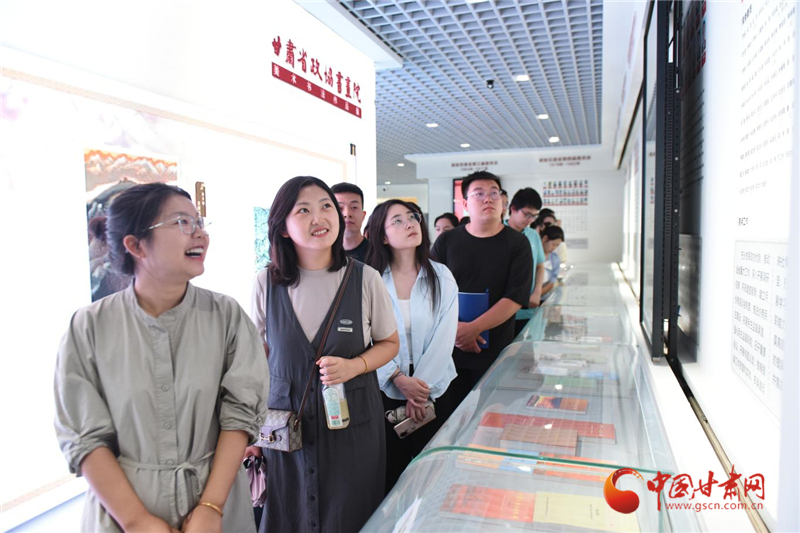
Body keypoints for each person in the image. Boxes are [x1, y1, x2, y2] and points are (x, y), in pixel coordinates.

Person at [54, 183, 268, 533]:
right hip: (121, 513)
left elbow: (240, 416)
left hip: (215, 511)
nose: (200, 234)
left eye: (199, 222)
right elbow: (84, 438)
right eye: (182, 222)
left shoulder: (226, 316)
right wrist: (136, 520)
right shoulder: (89, 327)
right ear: (136, 245)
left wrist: (211, 506)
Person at [251, 176, 399, 533]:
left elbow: (389, 343)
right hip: (286, 430)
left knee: (351, 516)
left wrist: (355, 366)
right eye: (303, 210)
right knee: (289, 515)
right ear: (283, 227)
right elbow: (256, 360)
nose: (319, 218)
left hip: (353, 429)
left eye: (326, 207)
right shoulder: (265, 283)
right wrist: (250, 432)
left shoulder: (366, 279)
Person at [365, 200, 459, 493]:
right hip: (384, 391)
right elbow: (366, 338)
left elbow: (445, 337)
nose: (410, 223)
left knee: (432, 477)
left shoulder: (441, 275)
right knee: (388, 476)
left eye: (413, 217)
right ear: (382, 236)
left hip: (435, 391)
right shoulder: (370, 279)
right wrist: (397, 378)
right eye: (397, 220)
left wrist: (420, 391)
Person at [431, 171, 533, 406]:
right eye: (479, 193)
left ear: (503, 201)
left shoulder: (518, 243)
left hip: (495, 351)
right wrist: (455, 330)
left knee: (489, 412)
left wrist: (473, 329)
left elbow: (515, 297)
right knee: (449, 414)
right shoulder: (447, 241)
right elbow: (430, 290)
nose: (488, 198)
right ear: (466, 204)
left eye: (494, 193)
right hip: (448, 349)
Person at [506, 188, 547, 336]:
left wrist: (537, 292)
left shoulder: (533, 235)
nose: (530, 220)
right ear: (513, 209)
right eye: (527, 214)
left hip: (528, 308)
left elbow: (540, 265)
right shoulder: (498, 232)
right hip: (503, 310)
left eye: (534, 216)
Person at [331, 182, 369, 262]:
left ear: (363, 215)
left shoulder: (379, 254)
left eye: (354, 207)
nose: (347, 214)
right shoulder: (322, 255)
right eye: (340, 208)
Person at [540, 225, 565, 297]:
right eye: (553, 244)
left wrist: (538, 295)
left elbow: (552, 282)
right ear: (545, 239)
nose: (554, 248)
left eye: (557, 245)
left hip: (544, 297)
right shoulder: (533, 254)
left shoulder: (555, 259)